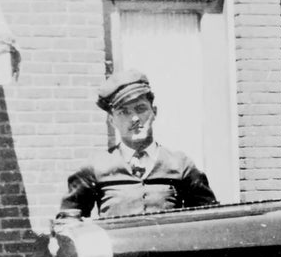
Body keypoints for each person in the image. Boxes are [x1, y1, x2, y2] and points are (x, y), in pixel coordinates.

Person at [59, 69, 218, 217]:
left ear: (154, 112)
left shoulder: (180, 165)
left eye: (141, 109)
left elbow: (211, 218)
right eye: (124, 112)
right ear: (112, 120)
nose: (134, 119)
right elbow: (68, 221)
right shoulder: (96, 168)